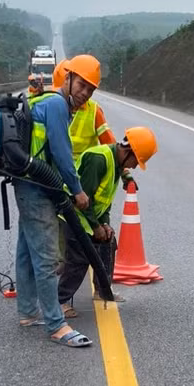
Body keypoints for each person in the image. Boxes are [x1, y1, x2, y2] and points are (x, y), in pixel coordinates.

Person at [15, 54, 102, 348]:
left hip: (31, 184)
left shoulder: (49, 103)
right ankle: (56, 324)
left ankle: (28, 312)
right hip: (36, 187)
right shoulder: (55, 105)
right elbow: (63, 153)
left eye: (90, 90)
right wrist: (77, 190)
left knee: (27, 250)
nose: (85, 93)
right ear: (67, 78)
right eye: (82, 85)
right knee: (47, 257)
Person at [58, 126, 158, 318]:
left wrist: (104, 224)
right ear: (128, 152)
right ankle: (60, 301)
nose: (135, 166)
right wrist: (96, 226)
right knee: (79, 258)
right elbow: (83, 198)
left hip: (89, 216)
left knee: (108, 243)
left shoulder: (116, 164)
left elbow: (103, 200)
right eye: (136, 161)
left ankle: (102, 290)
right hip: (73, 214)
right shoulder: (99, 159)